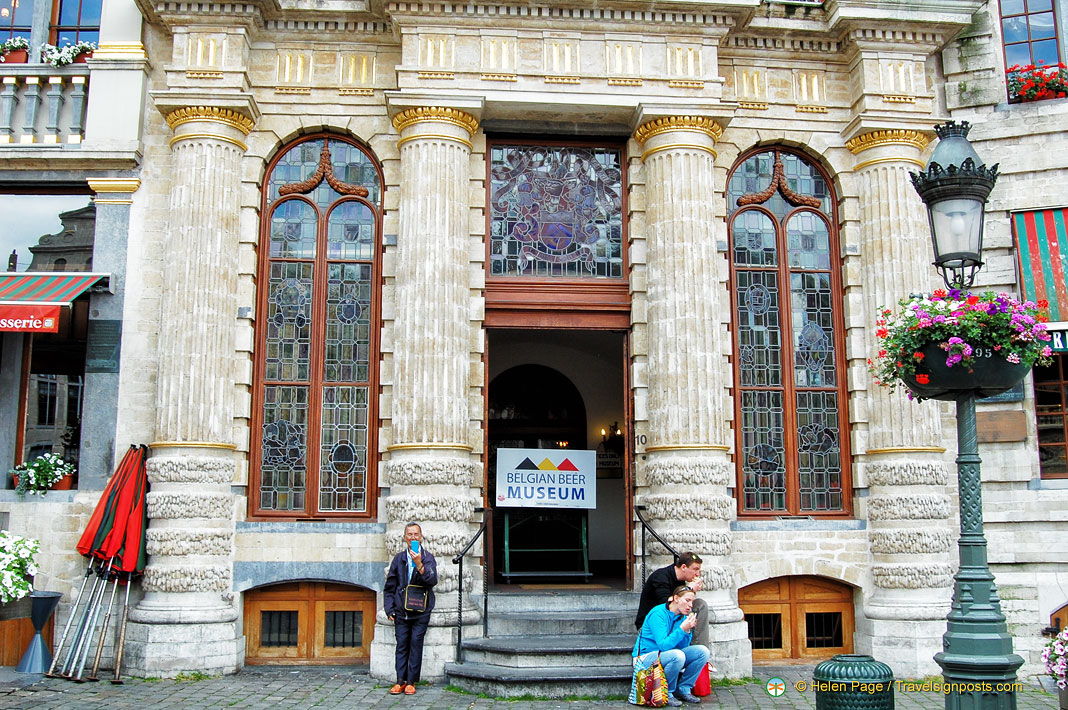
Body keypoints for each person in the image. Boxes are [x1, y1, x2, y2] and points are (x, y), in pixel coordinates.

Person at [383, 522, 437, 696]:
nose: (413, 537)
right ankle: (400, 680)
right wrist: (389, 609)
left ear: (421, 537)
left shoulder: (428, 557)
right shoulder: (399, 559)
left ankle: (411, 681)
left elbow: (432, 580)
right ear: (405, 537)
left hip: (421, 610)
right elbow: (390, 586)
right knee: (402, 645)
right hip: (402, 611)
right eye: (410, 534)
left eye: (416, 534)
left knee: (416, 644)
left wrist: (419, 563)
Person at [632, 585, 710, 706]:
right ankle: (667, 693)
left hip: (667, 655)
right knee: (677, 656)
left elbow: (682, 646)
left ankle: (684, 689)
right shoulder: (658, 614)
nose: (690, 605)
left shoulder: (682, 617)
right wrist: (682, 629)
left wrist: (688, 631)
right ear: (676, 599)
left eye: (692, 602)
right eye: (687, 600)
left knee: (702, 651)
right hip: (645, 658)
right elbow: (663, 645)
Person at [635, 552, 709, 647]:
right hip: (652, 624)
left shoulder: (681, 581)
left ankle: (700, 649)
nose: (698, 574)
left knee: (700, 605)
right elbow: (667, 606)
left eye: (699, 570)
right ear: (683, 567)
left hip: (672, 620)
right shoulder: (660, 577)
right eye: (695, 569)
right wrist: (689, 589)